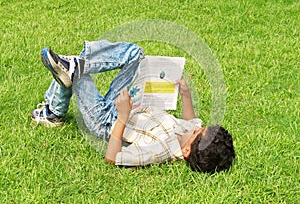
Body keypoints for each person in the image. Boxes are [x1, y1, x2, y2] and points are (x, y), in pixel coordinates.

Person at [32, 40, 235, 173]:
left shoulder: (160, 150)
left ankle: (54, 108)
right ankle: (75, 68)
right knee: (135, 54)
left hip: (106, 121)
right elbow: (191, 120)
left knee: (77, 74)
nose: (196, 126)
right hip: (126, 104)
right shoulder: (187, 132)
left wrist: (122, 116)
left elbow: (113, 157)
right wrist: (186, 94)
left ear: (186, 151)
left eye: (197, 132)